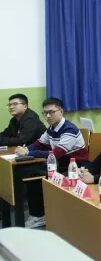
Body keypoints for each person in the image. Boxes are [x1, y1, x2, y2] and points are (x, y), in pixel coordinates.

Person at [15, 97, 88, 229]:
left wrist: (27, 152)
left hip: (75, 168)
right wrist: (26, 149)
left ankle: (40, 216)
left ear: (61, 112)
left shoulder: (69, 129)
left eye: (51, 112)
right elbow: (39, 143)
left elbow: (55, 153)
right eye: (45, 113)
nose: (48, 116)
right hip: (58, 165)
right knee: (30, 173)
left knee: (36, 177)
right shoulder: (52, 128)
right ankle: (39, 214)